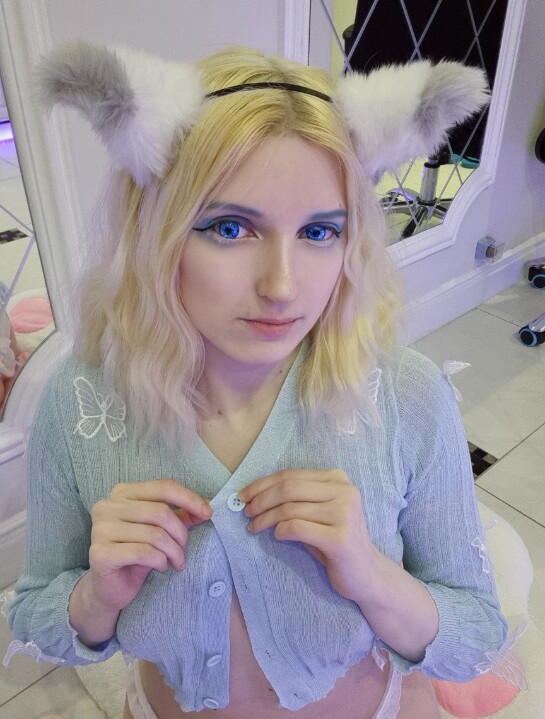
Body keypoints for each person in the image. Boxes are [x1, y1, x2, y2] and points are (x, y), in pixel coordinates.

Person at [5, 41, 508, 719]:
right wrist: (96, 595)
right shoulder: (81, 402)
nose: (282, 286)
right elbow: (35, 618)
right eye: (230, 227)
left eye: (319, 232)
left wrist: (370, 573)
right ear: (154, 231)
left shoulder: (407, 397)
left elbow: (476, 637)